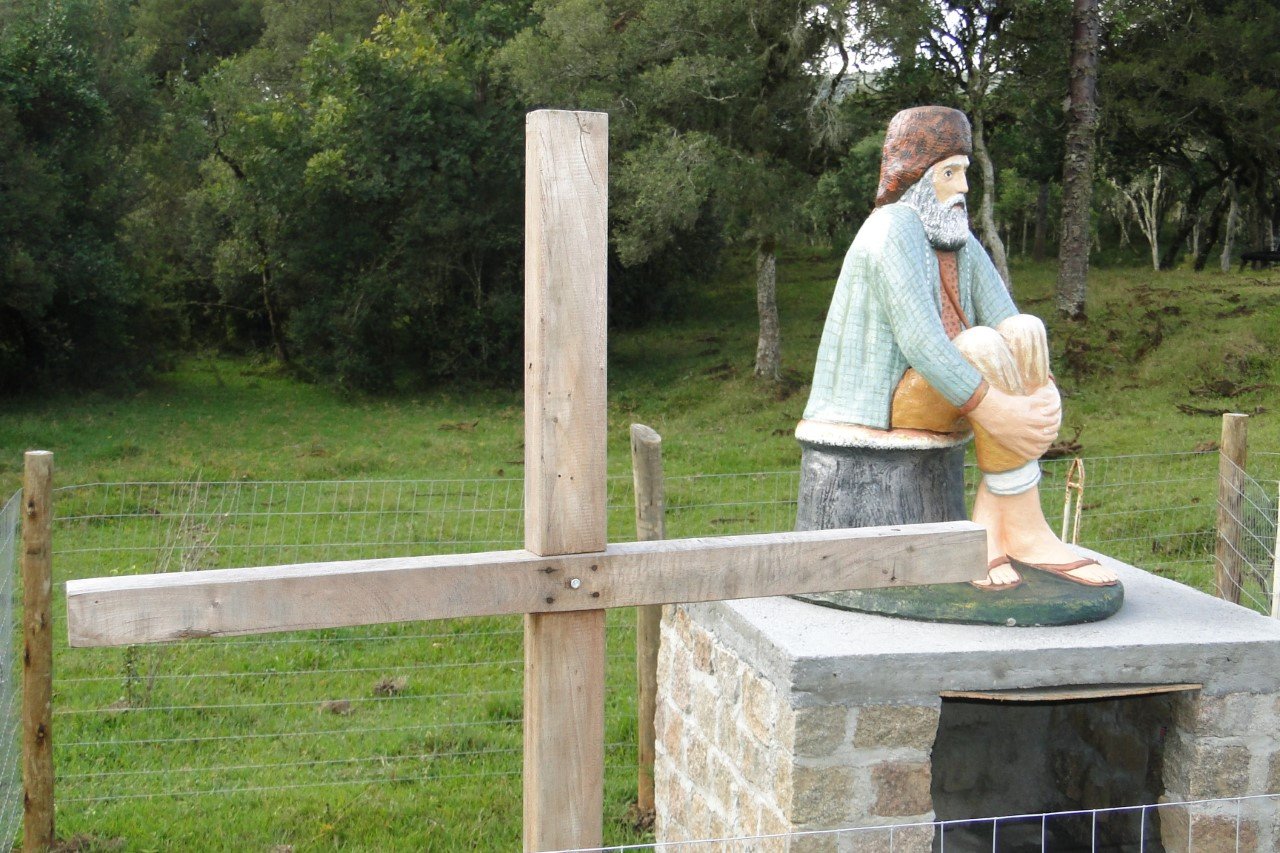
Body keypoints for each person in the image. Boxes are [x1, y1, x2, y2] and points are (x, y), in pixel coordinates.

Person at [798, 106, 1117, 589]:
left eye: (965, 172)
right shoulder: (892, 228)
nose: (963, 187)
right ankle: (1011, 533)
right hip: (878, 406)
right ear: (916, 176)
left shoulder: (955, 236)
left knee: (1025, 328)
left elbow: (1006, 314)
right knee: (979, 343)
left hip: (944, 389)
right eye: (949, 173)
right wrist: (997, 409)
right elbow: (922, 341)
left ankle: (1013, 530)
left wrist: (1041, 389)